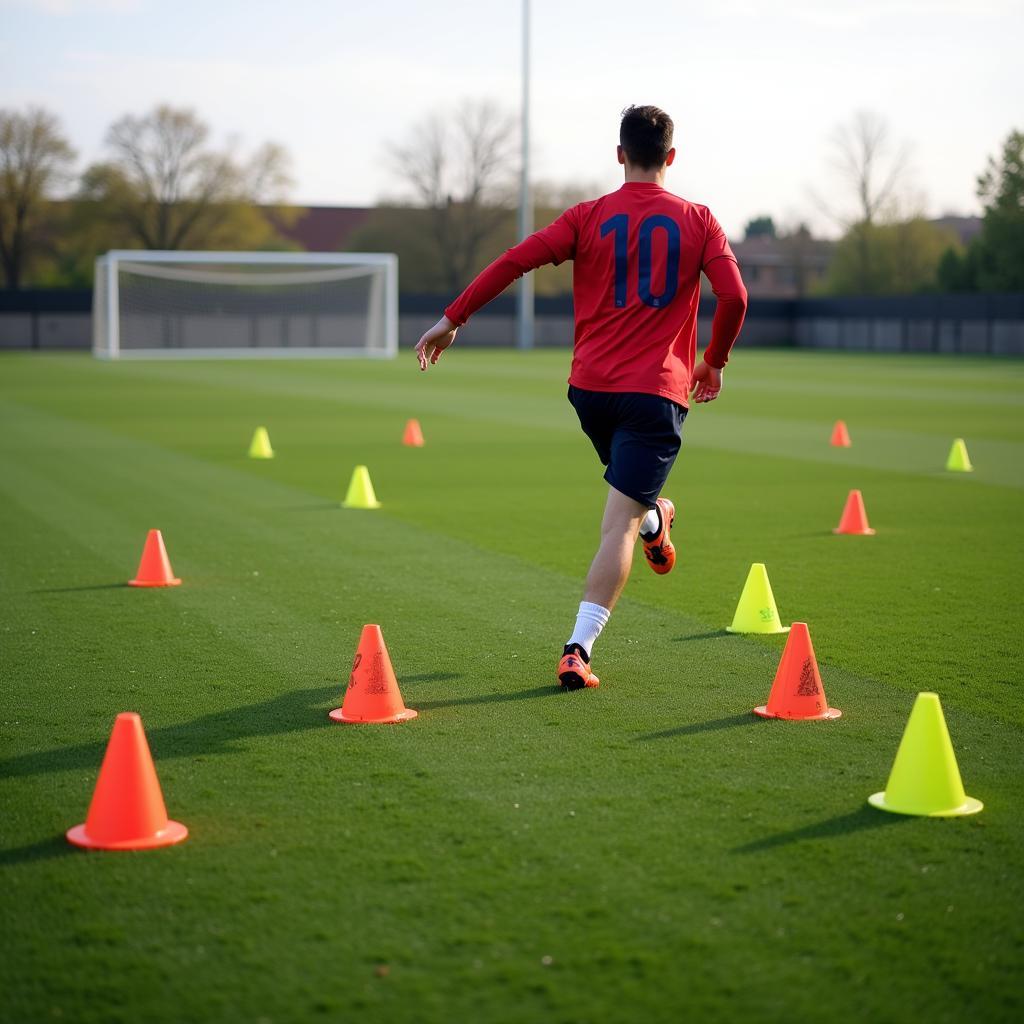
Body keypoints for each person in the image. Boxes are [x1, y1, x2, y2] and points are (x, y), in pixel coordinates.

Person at [414, 104, 747, 690]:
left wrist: (452, 319)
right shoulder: (700, 220)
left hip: (589, 391)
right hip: (654, 394)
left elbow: (514, 261)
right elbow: (736, 297)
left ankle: (656, 522)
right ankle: (579, 648)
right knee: (616, 522)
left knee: (629, 503)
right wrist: (713, 363)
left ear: (620, 155)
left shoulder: (587, 216)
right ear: (670, 157)